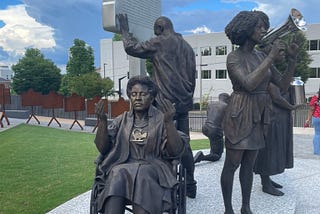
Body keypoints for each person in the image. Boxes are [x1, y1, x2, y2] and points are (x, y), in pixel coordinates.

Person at [221, 10, 299, 214]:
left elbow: (281, 85)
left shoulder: (259, 55)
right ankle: (228, 209)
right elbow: (248, 83)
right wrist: (271, 57)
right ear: (246, 29)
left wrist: (291, 60)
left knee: (249, 165)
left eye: (264, 26)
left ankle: (245, 207)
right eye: (259, 26)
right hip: (239, 113)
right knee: (232, 164)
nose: (264, 30)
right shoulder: (234, 57)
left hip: (258, 115)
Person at [117, 14, 197, 198]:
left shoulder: (160, 42)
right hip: (183, 101)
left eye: (155, 32)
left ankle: (162, 185)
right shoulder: (187, 47)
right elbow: (193, 76)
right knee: (185, 144)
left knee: (159, 144)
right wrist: (187, 96)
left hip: (164, 103)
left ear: (160, 29)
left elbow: (131, 47)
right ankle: (191, 184)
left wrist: (124, 29)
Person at [93, 75, 186, 214]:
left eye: (143, 94)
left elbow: (175, 151)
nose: (137, 98)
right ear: (130, 97)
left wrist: (168, 123)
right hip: (123, 165)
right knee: (116, 172)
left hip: (153, 166)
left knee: (142, 173)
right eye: (134, 94)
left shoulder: (161, 119)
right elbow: (103, 148)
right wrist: (102, 122)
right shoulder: (121, 120)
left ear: (152, 97)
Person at [194, 93, 230, 163]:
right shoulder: (226, 106)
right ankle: (202, 157)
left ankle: (212, 151)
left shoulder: (210, 104)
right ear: (227, 99)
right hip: (215, 130)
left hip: (205, 128)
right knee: (217, 156)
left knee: (213, 141)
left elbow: (209, 117)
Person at [305, 89, 320, 155]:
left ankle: (317, 151)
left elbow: (312, 109)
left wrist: (308, 119)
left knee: (317, 134)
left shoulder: (315, 98)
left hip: (316, 117)